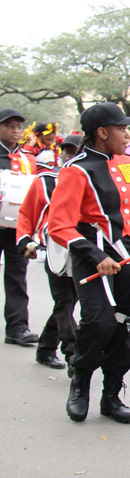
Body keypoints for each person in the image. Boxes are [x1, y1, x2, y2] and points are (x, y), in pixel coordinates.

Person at [48, 102, 130, 424]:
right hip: (93, 258)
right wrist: (96, 256)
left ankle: (112, 394)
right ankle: (80, 381)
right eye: (121, 129)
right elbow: (59, 225)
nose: (127, 135)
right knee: (98, 321)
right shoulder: (76, 170)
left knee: (123, 324)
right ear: (102, 133)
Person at [15, 133, 81, 369]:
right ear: (60, 154)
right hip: (55, 250)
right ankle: (73, 353)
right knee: (64, 301)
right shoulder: (46, 180)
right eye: (67, 151)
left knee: (67, 304)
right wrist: (25, 241)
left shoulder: (92, 180)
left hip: (83, 250)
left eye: (76, 152)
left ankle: (45, 349)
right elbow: (27, 213)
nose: (70, 156)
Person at [0, 107, 39, 346]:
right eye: (9, 126)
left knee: (17, 277)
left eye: (19, 127)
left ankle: (17, 327)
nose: (16, 131)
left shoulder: (27, 158)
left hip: (17, 227)